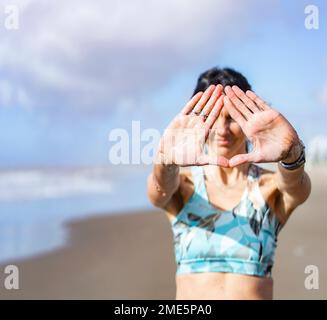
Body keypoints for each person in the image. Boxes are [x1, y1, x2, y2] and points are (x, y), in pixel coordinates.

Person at [147, 67, 311, 300]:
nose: (223, 130)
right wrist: (165, 159)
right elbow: (158, 190)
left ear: (248, 119)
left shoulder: (269, 188)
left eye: (232, 118)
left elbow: (297, 186)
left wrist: (292, 154)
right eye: (211, 118)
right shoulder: (183, 187)